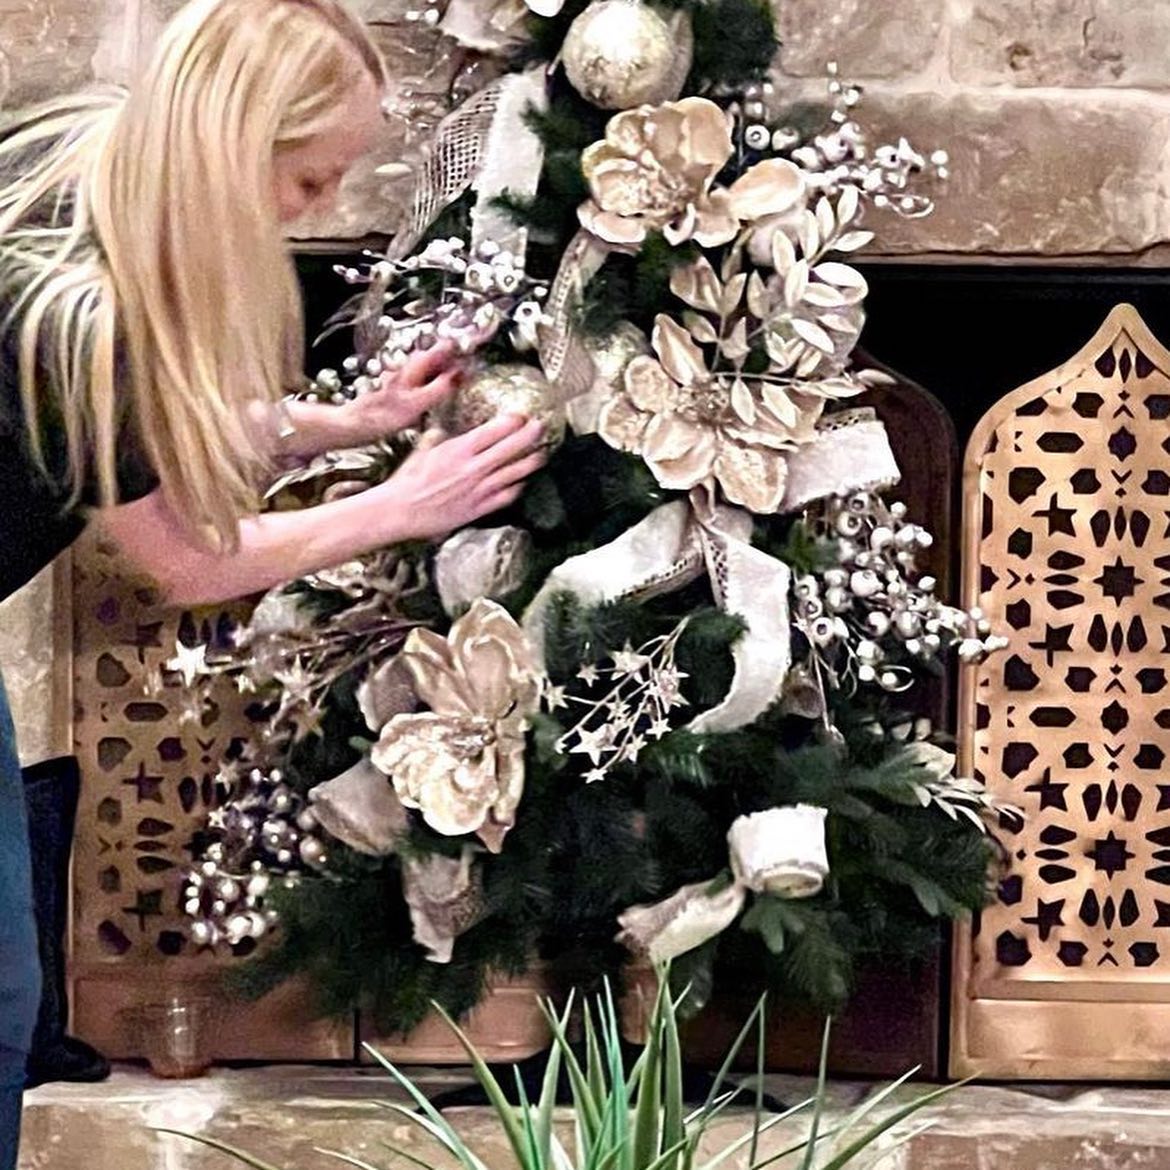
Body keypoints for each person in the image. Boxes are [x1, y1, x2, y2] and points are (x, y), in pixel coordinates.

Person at [0, 0, 546, 1162]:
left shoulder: (89, 147)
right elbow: (184, 558)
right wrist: (407, 506)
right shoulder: (82, 312)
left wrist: (338, 423)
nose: (314, 209)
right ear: (226, 148)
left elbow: (134, 434)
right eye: (305, 181)